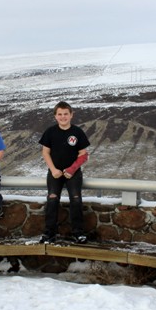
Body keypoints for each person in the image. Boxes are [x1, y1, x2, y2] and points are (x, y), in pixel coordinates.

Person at [39, 101, 90, 243]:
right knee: (52, 199)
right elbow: (45, 152)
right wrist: (53, 169)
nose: (63, 117)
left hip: (73, 173)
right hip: (55, 173)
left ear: (71, 115)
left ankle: (78, 233)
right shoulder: (50, 132)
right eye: (59, 114)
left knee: (76, 199)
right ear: (55, 116)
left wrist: (72, 169)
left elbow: (83, 154)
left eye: (66, 114)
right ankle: (49, 233)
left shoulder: (77, 132)